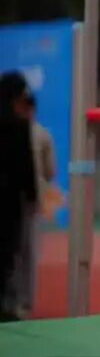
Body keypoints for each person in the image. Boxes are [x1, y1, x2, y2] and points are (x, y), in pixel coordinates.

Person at [0, 72, 35, 322]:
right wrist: (32, 197)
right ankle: (6, 306)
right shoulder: (19, 126)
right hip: (9, 202)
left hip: (9, 199)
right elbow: (26, 167)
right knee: (8, 254)